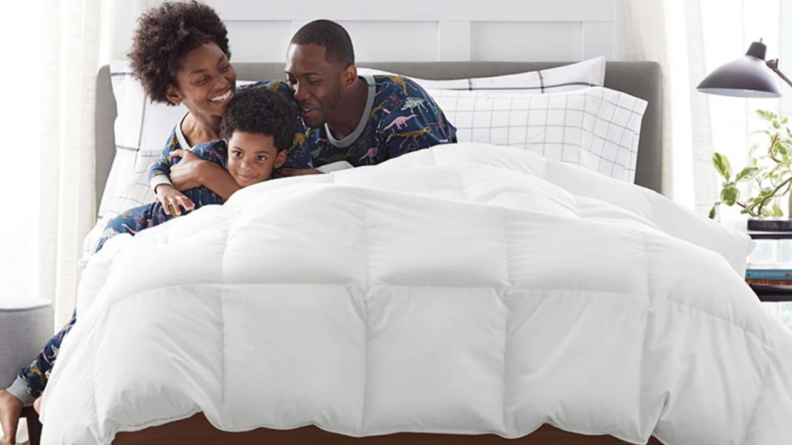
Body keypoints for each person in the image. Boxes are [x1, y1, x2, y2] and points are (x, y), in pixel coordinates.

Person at [98, 88, 296, 250]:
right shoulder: (208, 154)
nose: (246, 166)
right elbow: (161, 165)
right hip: (138, 224)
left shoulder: (273, 190)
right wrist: (163, 188)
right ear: (227, 146)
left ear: (279, 159)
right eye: (238, 154)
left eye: (260, 158)